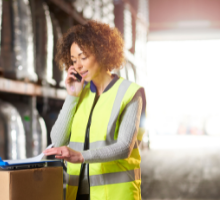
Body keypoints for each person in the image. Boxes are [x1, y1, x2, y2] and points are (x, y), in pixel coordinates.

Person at [43, 21, 146, 200]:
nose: (78, 66)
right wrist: (72, 96)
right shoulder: (81, 94)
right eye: (74, 61)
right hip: (80, 194)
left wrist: (81, 156)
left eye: (83, 57)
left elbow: (124, 148)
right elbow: (58, 140)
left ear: (102, 52)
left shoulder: (130, 93)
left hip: (117, 195)